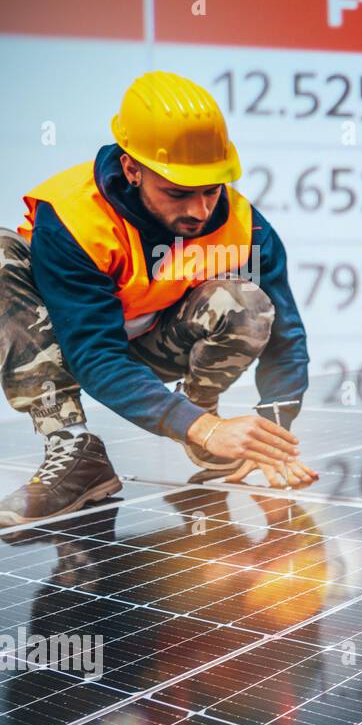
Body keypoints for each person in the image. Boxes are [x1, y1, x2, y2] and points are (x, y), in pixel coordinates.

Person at [0, 71, 317, 528]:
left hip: (155, 347)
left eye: (211, 191)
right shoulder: (73, 217)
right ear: (132, 169)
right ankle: (74, 451)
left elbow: (285, 334)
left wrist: (273, 432)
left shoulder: (245, 228)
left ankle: (201, 405)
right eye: (178, 193)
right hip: (70, 349)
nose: (199, 211)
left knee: (246, 301)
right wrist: (203, 428)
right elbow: (94, 354)